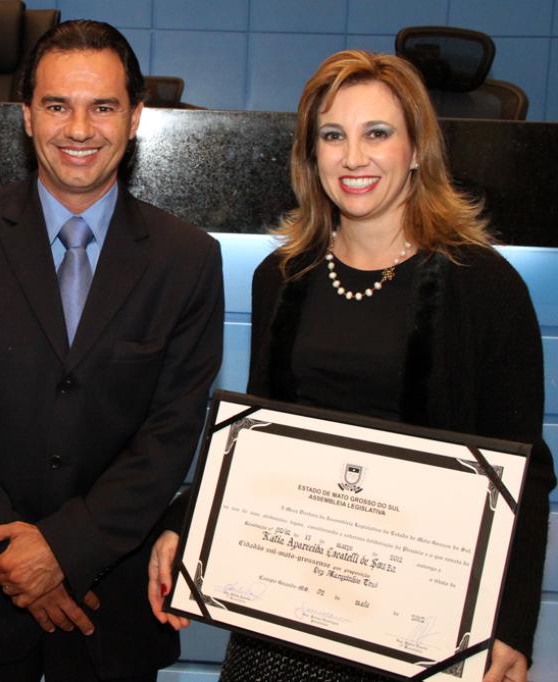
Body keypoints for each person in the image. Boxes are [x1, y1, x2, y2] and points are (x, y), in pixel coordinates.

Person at [148, 49, 556, 682]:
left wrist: (512, 626)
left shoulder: (485, 286)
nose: (354, 157)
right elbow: (259, 439)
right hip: (286, 617)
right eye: (332, 136)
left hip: (421, 623)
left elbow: (525, 469)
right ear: (311, 155)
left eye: (378, 134)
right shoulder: (281, 277)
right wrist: (188, 520)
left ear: (418, 148)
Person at [0, 19, 225, 682]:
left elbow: (171, 433)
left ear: (135, 118)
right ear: (26, 117)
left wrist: (64, 550)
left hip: (112, 603)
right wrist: (20, 557)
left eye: (102, 106)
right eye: (57, 105)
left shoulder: (188, 259)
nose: (79, 130)